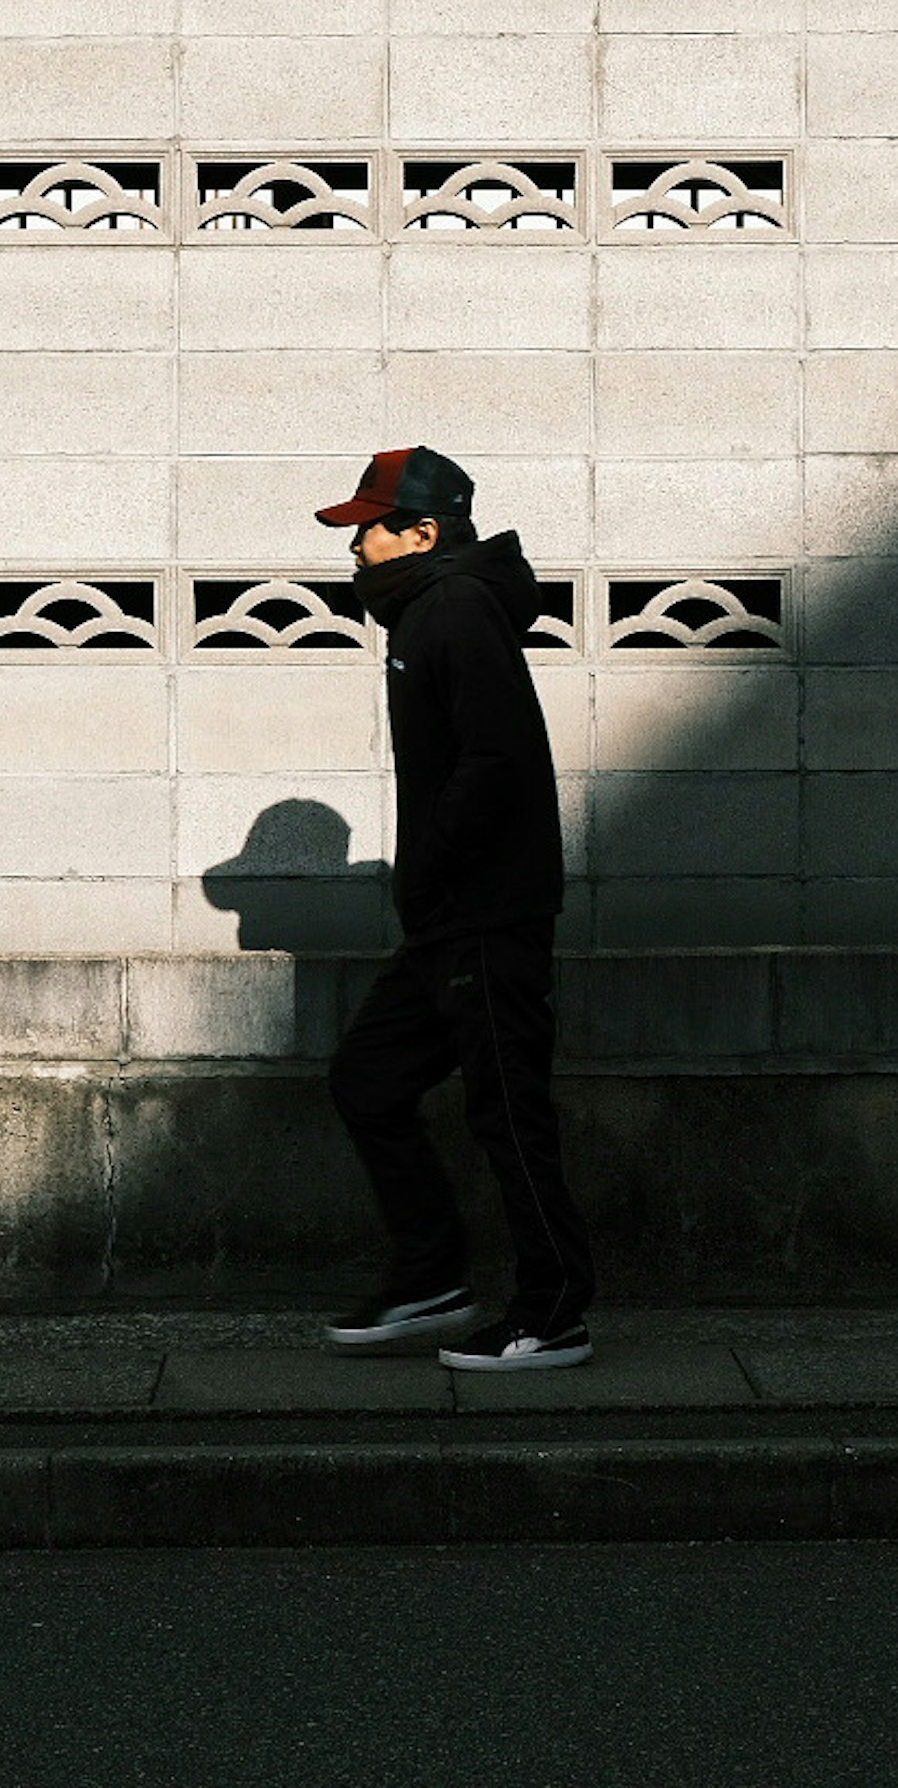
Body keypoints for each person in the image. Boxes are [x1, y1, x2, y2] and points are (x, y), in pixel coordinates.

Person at [312, 444, 598, 1372]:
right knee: (369, 1077)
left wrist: (432, 865)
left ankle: (554, 1313)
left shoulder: (457, 610)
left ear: (423, 531)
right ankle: (431, 1276)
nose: (353, 549)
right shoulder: (430, 613)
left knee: (508, 1113)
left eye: (368, 529)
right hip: (452, 917)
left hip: (484, 911)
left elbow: (497, 759)